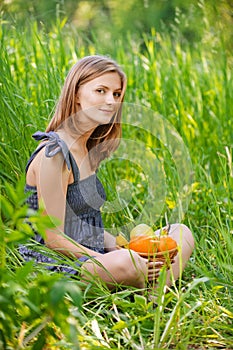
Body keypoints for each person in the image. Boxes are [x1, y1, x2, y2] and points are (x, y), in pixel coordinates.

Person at [20, 55, 194, 292]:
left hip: (92, 254)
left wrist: (116, 244)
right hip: (56, 264)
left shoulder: (86, 146)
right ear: (76, 94)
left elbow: (84, 224)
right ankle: (139, 280)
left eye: (116, 94)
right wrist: (109, 259)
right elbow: (54, 239)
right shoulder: (55, 154)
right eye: (100, 90)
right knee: (128, 263)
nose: (110, 101)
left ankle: (154, 298)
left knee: (180, 234)